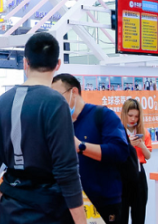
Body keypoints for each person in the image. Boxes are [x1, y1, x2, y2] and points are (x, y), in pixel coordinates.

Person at [0, 33, 86, 224]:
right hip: (48, 211)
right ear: (57, 64)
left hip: (10, 209)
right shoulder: (55, 103)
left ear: (25, 63)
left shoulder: (1, 102)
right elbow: (66, 171)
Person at [52, 74, 129, 224]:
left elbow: (120, 152)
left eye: (58, 96)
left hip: (104, 202)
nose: (54, 103)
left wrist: (81, 146)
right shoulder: (59, 123)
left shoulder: (103, 115)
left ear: (74, 92)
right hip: (71, 203)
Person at [120, 99, 152, 224]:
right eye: (130, 115)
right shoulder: (117, 131)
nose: (133, 119)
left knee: (139, 214)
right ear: (124, 114)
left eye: (136, 116)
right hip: (122, 176)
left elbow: (148, 156)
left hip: (139, 175)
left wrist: (141, 145)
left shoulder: (143, 132)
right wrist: (129, 145)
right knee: (121, 215)